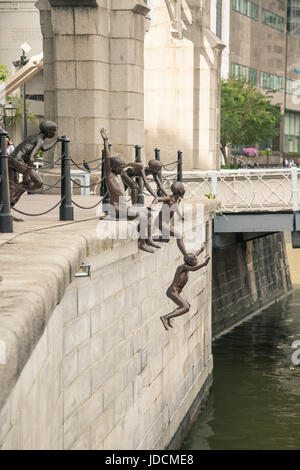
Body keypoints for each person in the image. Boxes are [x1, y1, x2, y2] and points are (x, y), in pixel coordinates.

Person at [100, 128, 160, 253]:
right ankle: (142, 243)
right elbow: (107, 157)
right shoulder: (110, 175)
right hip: (115, 209)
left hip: (122, 207)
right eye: (120, 168)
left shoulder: (118, 175)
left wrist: (128, 164)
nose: (123, 170)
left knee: (147, 212)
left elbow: (136, 166)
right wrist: (105, 141)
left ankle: (148, 239)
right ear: (114, 167)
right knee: (142, 216)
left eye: (123, 167)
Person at [8, 120, 61, 210]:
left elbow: (43, 148)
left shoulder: (35, 137)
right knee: (38, 182)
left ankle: (10, 201)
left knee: (12, 185)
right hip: (17, 161)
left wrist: (56, 141)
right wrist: (28, 174)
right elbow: (31, 158)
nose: (54, 133)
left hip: (12, 159)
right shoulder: (40, 140)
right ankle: (14, 194)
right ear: (48, 131)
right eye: (54, 130)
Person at [160, 249, 210, 330]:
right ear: (190, 262)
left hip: (176, 292)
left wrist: (201, 250)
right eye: (195, 260)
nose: (197, 261)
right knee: (185, 307)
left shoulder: (188, 264)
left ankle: (169, 317)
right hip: (172, 291)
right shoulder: (183, 267)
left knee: (187, 306)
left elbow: (193, 256)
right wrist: (204, 264)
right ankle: (165, 317)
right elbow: (194, 269)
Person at [151, 181, 187, 256]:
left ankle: (149, 238)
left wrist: (180, 216)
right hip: (161, 222)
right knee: (179, 236)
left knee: (166, 239)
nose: (185, 190)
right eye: (183, 188)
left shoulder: (178, 199)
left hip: (166, 222)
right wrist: (152, 206)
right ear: (180, 191)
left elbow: (175, 208)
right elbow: (157, 198)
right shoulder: (169, 199)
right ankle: (186, 255)